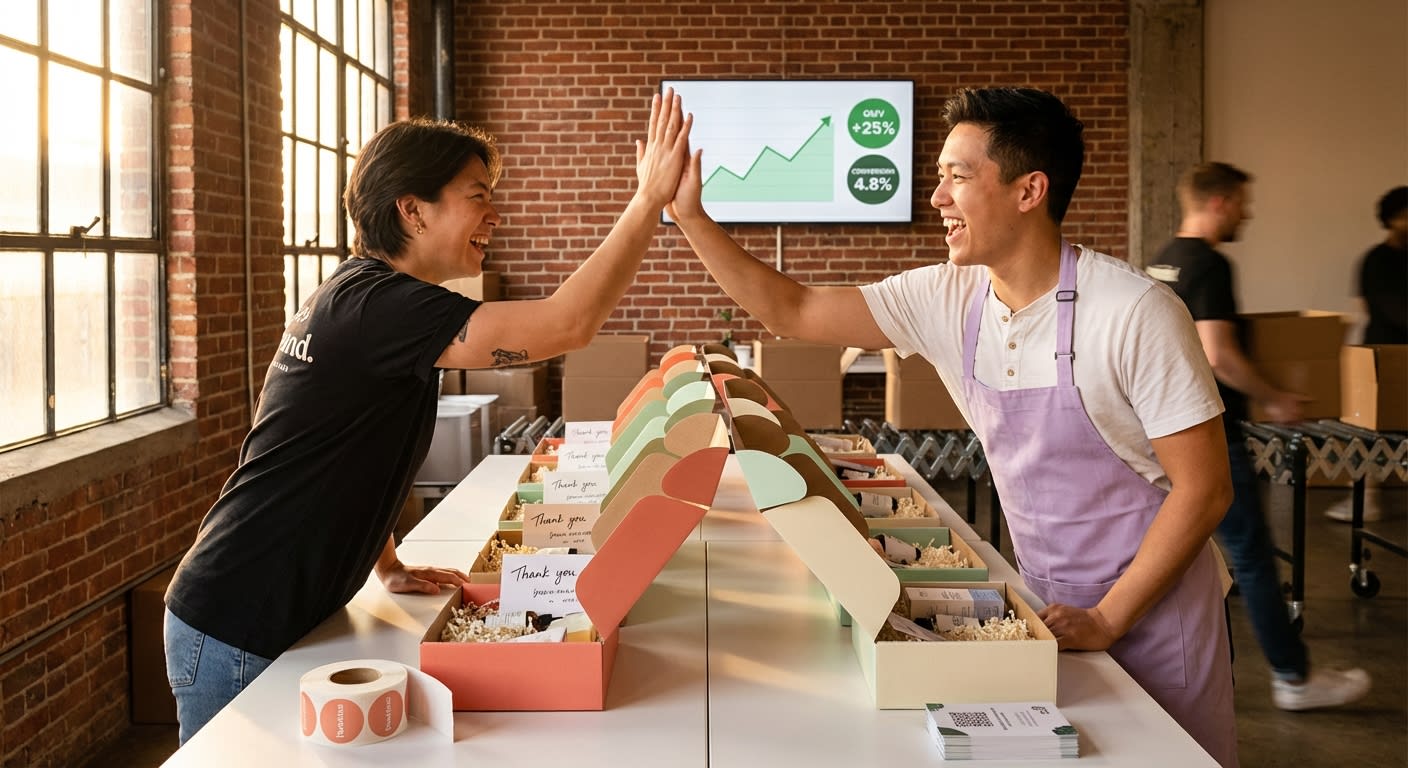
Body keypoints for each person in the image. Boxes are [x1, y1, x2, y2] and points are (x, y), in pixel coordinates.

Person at [670, 87, 1238, 766]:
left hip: (1155, 611)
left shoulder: (1134, 312)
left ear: (1030, 190)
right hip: (1046, 604)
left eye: (957, 177)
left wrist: (1112, 617)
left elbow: (1204, 490)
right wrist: (689, 215)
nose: (937, 197)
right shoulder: (947, 296)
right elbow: (792, 309)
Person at [163, 90, 692, 744]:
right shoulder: (382, 307)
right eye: (477, 195)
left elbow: (340, 448)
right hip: (238, 619)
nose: (494, 215)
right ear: (411, 210)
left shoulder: (365, 298)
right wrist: (647, 203)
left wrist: (385, 562)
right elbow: (568, 323)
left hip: (257, 605)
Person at [1151, 161, 1371, 712]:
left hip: (1159, 436)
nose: (1248, 212)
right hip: (1209, 436)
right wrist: (1275, 397)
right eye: (1243, 202)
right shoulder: (1211, 264)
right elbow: (1218, 353)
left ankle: (1160, 674)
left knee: (1177, 559)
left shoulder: (1163, 262)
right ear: (1220, 201)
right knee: (1250, 557)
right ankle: (1292, 678)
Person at [1324, 184, 1407, 522]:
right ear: (1392, 219)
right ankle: (1365, 500)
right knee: (1372, 431)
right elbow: (1383, 309)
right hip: (1384, 356)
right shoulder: (1377, 260)